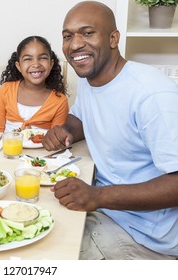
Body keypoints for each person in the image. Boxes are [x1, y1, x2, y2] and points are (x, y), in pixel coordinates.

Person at [42, 1, 178, 260]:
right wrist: (64, 130)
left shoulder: (151, 94)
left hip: (143, 237)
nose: (75, 44)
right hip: (105, 212)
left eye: (88, 33)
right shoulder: (91, 78)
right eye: (68, 36)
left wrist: (97, 196)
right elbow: (79, 117)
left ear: (114, 38)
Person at [0, 35, 68, 132]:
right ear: (18, 66)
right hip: (7, 147)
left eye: (42, 58)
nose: (36, 64)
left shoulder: (60, 101)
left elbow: (57, 139)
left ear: (51, 64)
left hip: (44, 148)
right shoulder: (6, 90)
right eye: (27, 59)